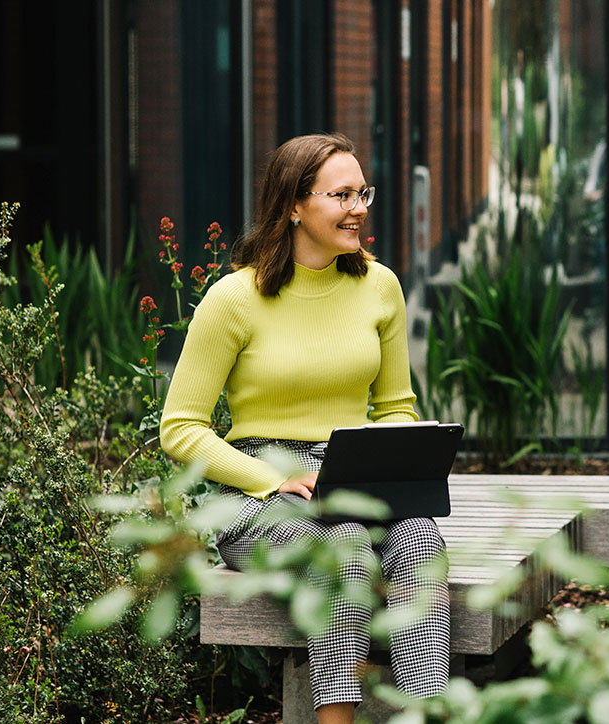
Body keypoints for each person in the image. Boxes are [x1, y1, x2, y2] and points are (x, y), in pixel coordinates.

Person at [160, 133, 450, 721]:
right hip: (259, 495)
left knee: (421, 538)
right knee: (342, 548)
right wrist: (272, 479)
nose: (359, 208)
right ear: (294, 205)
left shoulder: (380, 286)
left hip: (353, 475)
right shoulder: (233, 299)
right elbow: (181, 428)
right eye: (342, 195)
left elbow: (397, 406)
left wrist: (397, 460)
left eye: (363, 193)